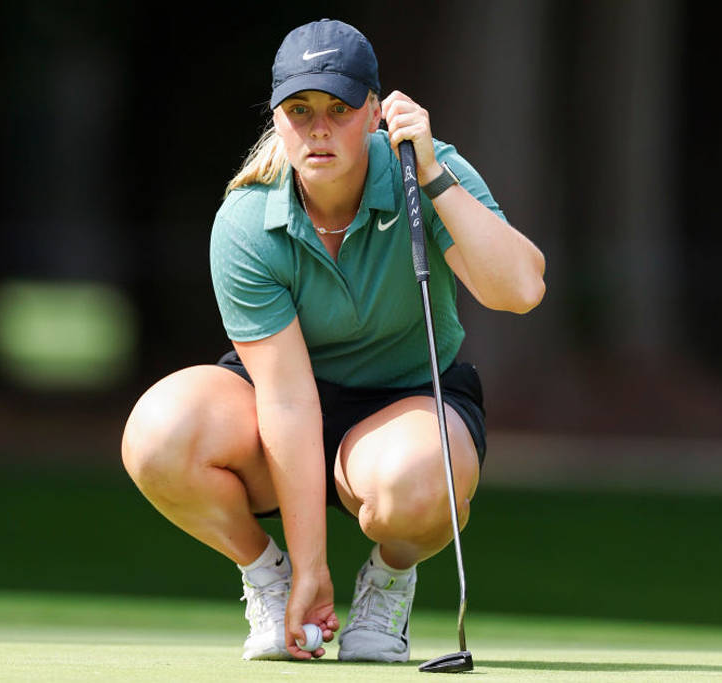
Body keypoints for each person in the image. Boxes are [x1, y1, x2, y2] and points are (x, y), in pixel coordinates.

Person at [121, 18, 545, 663]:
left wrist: (432, 176)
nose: (319, 127)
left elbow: (520, 289)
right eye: (300, 110)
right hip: (279, 413)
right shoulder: (246, 218)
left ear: (376, 111)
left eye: (340, 109)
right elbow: (287, 401)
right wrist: (310, 570)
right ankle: (270, 576)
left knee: (419, 477)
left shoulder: (426, 171)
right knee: (159, 434)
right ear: (277, 117)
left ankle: (388, 582)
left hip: (404, 408)